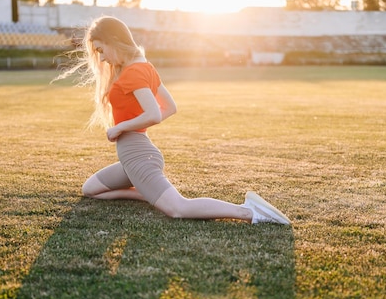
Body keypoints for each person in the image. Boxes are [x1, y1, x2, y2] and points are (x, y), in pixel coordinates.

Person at [65, 15, 290, 225]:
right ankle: (147, 193)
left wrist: (121, 128)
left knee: (178, 208)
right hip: (133, 159)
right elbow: (170, 107)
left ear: (114, 41)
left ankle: (248, 211)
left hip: (138, 155)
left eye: (101, 50)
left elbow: (154, 114)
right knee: (91, 189)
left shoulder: (134, 72)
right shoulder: (143, 66)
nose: (102, 58)